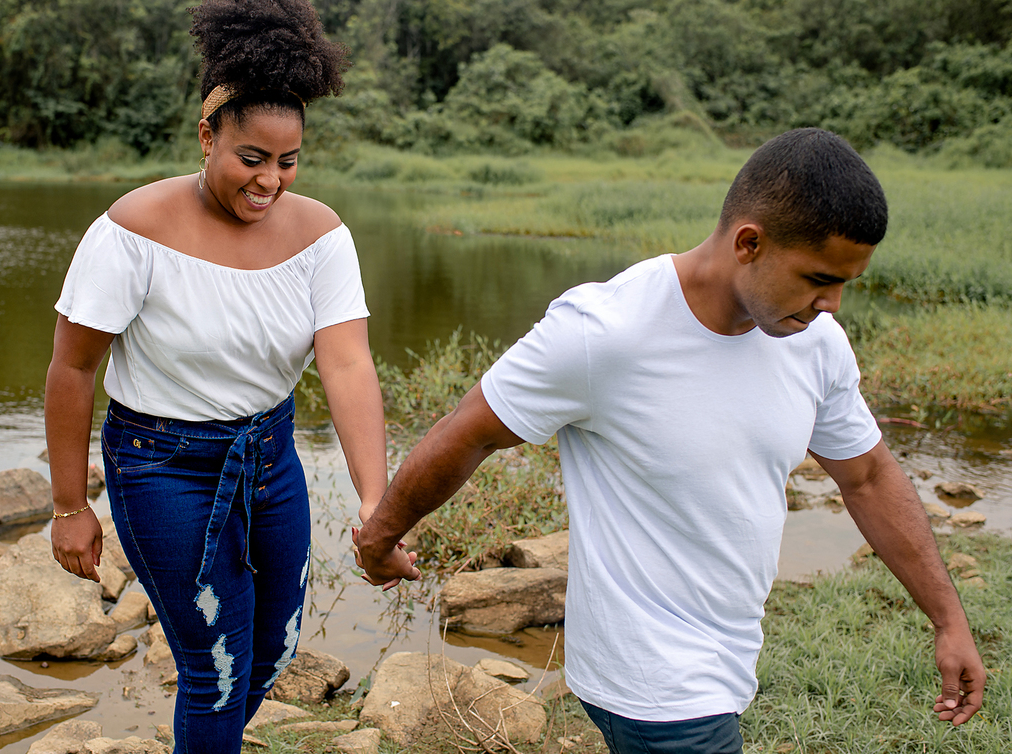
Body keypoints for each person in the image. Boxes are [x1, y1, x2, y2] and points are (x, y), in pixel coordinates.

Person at [355, 128, 986, 753]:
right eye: (819, 278)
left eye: (848, 282)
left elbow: (867, 477)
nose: (834, 303)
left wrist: (948, 620)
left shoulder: (815, 341)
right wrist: (381, 538)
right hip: (648, 678)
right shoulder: (605, 330)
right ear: (749, 243)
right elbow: (468, 433)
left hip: (729, 656)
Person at [44, 2, 389, 751]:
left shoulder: (322, 235)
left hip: (270, 457)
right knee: (217, 669)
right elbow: (72, 368)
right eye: (252, 158)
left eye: (288, 161)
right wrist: (70, 506)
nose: (271, 181)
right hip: (161, 464)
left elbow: (347, 363)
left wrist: (375, 501)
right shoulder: (133, 230)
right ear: (208, 137)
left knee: (275, 648)